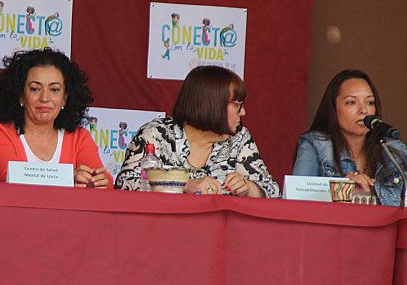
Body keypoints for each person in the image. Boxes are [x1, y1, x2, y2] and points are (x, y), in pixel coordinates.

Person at [115, 65, 279, 197]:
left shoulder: (239, 138)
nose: (243, 112)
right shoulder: (156, 134)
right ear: (212, 105)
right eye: (237, 105)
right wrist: (183, 186)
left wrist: (249, 188)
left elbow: (273, 191)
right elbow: (125, 184)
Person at [0, 48, 112, 188]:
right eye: (35, 89)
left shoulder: (80, 138)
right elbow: (10, 177)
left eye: (54, 90)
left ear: (65, 99)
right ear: (21, 96)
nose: (44, 98)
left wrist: (97, 181)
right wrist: (67, 179)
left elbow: (105, 183)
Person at [292, 69, 407, 206]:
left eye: (370, 102)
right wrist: (342, 190)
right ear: (333, 108)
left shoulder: (394, 150)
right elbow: (297, 201)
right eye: (351, 102)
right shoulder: (316, 145)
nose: (363, 110)